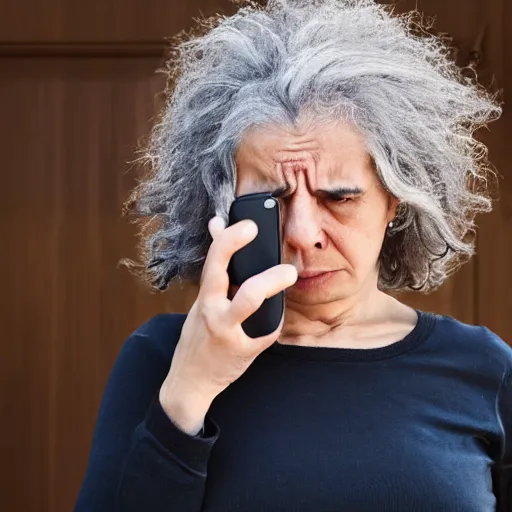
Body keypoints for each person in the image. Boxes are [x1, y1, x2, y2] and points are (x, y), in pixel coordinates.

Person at [74, 0, 511, 510]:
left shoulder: (484, 370)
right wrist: (190, 390)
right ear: (222, 206)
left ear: (395, 200)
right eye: (271, 202)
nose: (303, 234)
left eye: (339, 197)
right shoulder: (161, 360)